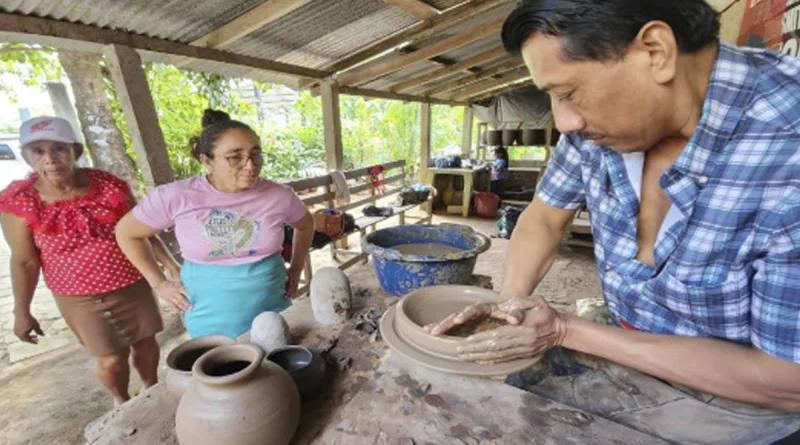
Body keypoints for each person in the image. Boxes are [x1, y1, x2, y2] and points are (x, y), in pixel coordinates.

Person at [426, 1, 800, 444]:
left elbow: (787, 380)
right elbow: (544, 217)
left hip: (747, 402)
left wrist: (564, 329)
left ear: (655, 51)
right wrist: (511, 312)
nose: (564, 122)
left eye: (568, 93)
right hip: (622, 343)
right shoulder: (597, 127)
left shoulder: (786, 151)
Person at [0, 117, 180, 406]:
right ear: (26, 156)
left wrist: (172, 268)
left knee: (146, 342)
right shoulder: (21, 203)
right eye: (38, 151)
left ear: (77, 150)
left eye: (59, 148)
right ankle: (121, 402)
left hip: (132, 284)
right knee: (111, 359)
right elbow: (24, 263)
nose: (50, 159)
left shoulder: (108, 187)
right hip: (79, 298)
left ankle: (151, 389)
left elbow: (142, 231)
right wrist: (22, 311)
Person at [116, 109, 314, 340]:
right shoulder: (176, 196)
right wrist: (159, 283)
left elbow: (306, 225)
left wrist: (296, 269)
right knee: (223, 361)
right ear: (207, 161)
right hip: (208, 316)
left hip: (272, 307)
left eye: (255, 154)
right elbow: (127, 233)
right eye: (235, 157)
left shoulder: (279, 195)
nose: (250, 166)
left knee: (279, 356)